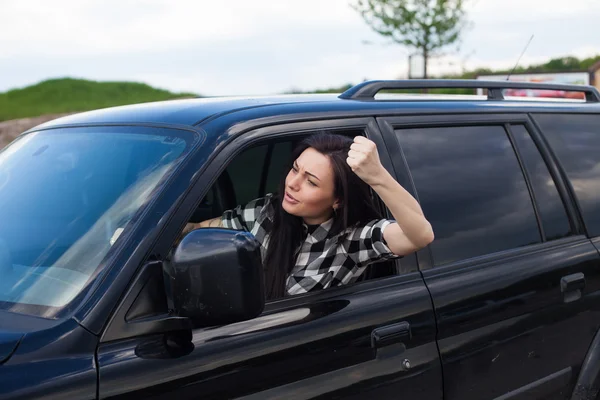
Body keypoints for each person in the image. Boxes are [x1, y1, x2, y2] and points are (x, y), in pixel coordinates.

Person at [183, 133, 434, 300]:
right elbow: (198, 231)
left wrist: (377, 175)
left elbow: (420, 235)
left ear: (338, 200)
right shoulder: (267, 211)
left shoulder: (351, 240)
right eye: (295, 169)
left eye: (311, 182)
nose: (292, 184)